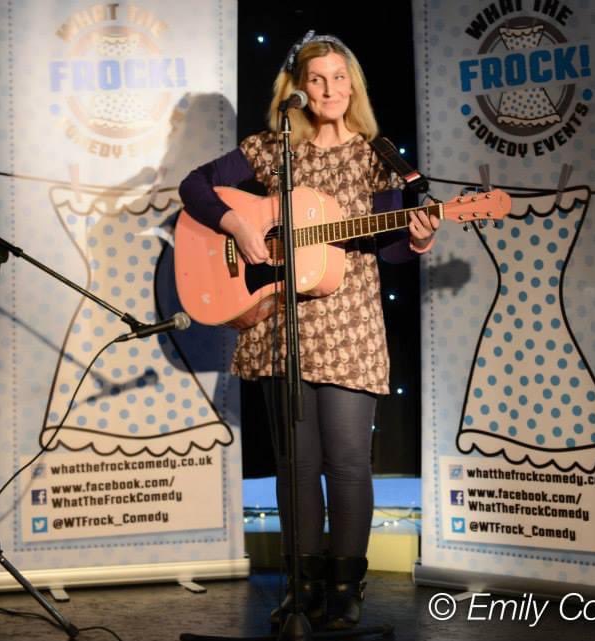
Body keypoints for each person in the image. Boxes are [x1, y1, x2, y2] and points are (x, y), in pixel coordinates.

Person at [179, 30, 440, 629]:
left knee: (347, 461)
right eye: (317, 80)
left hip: (349, 322)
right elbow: (193, 187)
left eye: (340, 78)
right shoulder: (275, 149)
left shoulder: (380, 154)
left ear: (355, 87)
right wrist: (240, 229)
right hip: (281, 321)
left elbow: (388, 247)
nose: (330, 90)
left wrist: (418, 238)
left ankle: (346, 590)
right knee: (295, 464)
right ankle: (299, 587)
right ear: (297, 89)